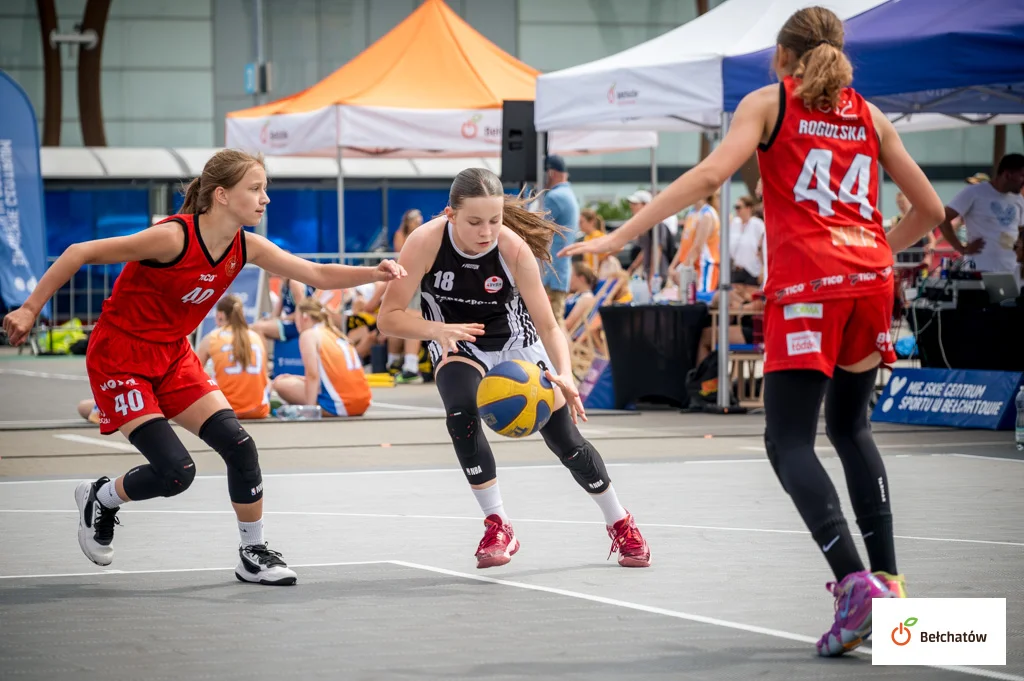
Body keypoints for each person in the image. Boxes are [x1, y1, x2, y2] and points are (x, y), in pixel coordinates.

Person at [562, 7, 945, 657]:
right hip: (873, 285)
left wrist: (622, 236)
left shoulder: (771, 103)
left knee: (786, 439)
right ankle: (890, 585)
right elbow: (932, 211)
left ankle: (855, 589)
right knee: (852, 428)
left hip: (809, 289)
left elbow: (711, 176)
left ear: (781, 56)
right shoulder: (870, 116)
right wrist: (875, 251)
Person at [1, 149, 405, 586]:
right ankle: (101, 497)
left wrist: (376, 273)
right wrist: (29, 308)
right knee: (176, 473)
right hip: (121, 356)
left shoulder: (245, 246)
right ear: (222, 196)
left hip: (173, 355)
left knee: (240, 446)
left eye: (264, 188)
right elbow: (79, 251)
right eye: (255, 189)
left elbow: (314, 273)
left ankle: (253, 552)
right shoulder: (172, 238)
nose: (265, 198)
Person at [376, 167, 650, 570]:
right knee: (460, 415)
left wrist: (565, 374)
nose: (486, 231)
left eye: (495, 220)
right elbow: (389, 318)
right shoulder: (424, 242)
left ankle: (621, 521)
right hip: (457, 342)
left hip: (515, 344)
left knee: (565, 439)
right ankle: (498, 524)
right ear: (450, 214)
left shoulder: (514, 250)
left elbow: (549, 325)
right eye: (474, 222)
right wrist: (438, 329)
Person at [271, 298, 372, 417]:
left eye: (296, 318)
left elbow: (312, 374)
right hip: (362, 403)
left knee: (280, 383)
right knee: (291, 379)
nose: (295, 322)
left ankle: (311, 409)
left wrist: (309, 410)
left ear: (304, 317)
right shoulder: (336, 334)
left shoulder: (309, 335)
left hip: (341, 405)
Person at [937, 154, 1024, 273]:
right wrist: (960, 248)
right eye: (1022, 176)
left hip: (1011, 270)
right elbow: (943, 218)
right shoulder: (974, 192)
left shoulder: (1019, 199)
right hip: (979, 270)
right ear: (1007, 175)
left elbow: (1020, 231)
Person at [196, 295, 271, 420]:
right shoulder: (256, 337)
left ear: (220, 315)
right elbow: (265, 378)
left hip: (225, 411)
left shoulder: (212, 338)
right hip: (259, 410)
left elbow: (194, 376)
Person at [540, 155, 580, 326]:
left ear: (550, 173)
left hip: (552, 273)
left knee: (552, 325)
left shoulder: (555, 197)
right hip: (559, 271)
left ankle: (565, 354)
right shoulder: (568, 194)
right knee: (555, 323)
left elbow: (536, 229)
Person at [252, 277, 313, 345]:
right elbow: (278, 309)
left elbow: (302, 313)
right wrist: (270, 319)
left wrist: (281, 319)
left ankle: (262, 355)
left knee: (258, 328)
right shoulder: (283, 283)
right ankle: (261, 354)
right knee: (254, 326)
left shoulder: (294, 283)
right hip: (292, 322)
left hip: (303, 324)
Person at [729, 195, 767, 286]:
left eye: (739, 207)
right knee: (734, 293)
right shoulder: (734, 223)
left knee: (747, 294)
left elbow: (764, 246)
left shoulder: (757, 224)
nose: (737, 210)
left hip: (752, 270)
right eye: (735, 207)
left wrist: (763, 269)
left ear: (748, 208)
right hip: (737, 269)